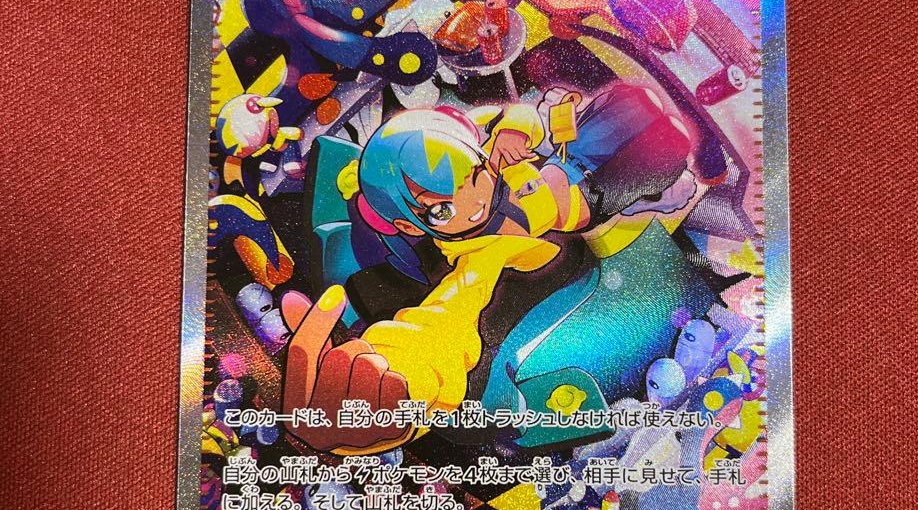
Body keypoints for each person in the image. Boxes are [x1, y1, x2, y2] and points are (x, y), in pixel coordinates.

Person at [280, 81, 695, 455]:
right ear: (410, 225)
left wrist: (515, 132)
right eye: (442, 209)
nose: (474, 202)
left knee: (635, 102)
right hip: (582, 202)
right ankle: (653, 196)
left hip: (560, 166)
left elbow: (515, 120)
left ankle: (646, 185)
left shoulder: (489, 154)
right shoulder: (478, 258)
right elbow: (443, 321)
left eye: (473, 176)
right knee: (671, 145)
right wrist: (404, 382)